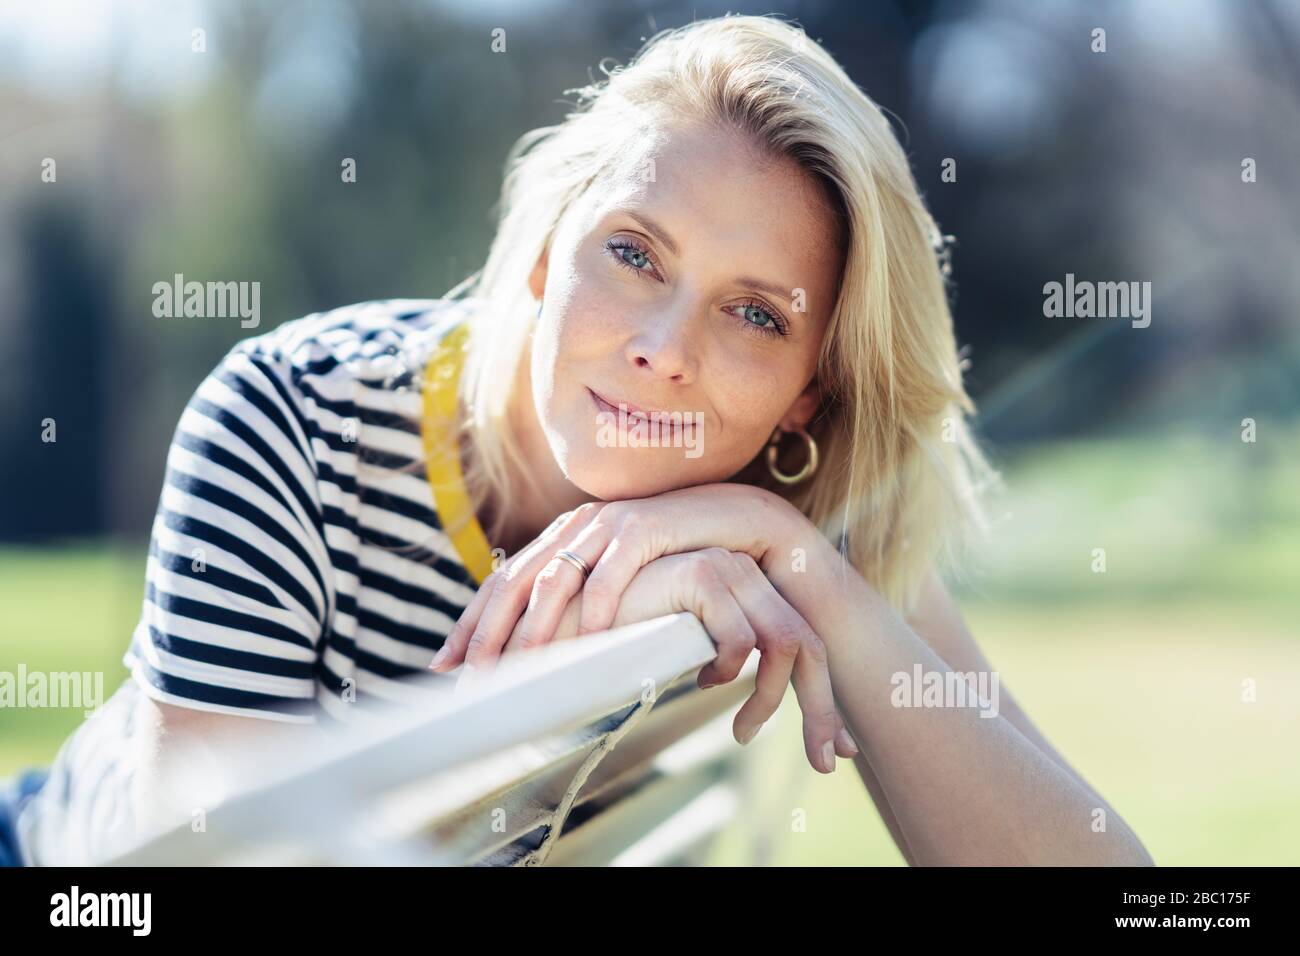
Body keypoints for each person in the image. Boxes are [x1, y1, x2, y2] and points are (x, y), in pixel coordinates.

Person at [6, 14, 1152, 866]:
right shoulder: (293, 422)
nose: (663, 345)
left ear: (809, 397)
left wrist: (798, 557)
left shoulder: (786, 507)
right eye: (635, 253)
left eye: (756, 314)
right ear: (551, 250)